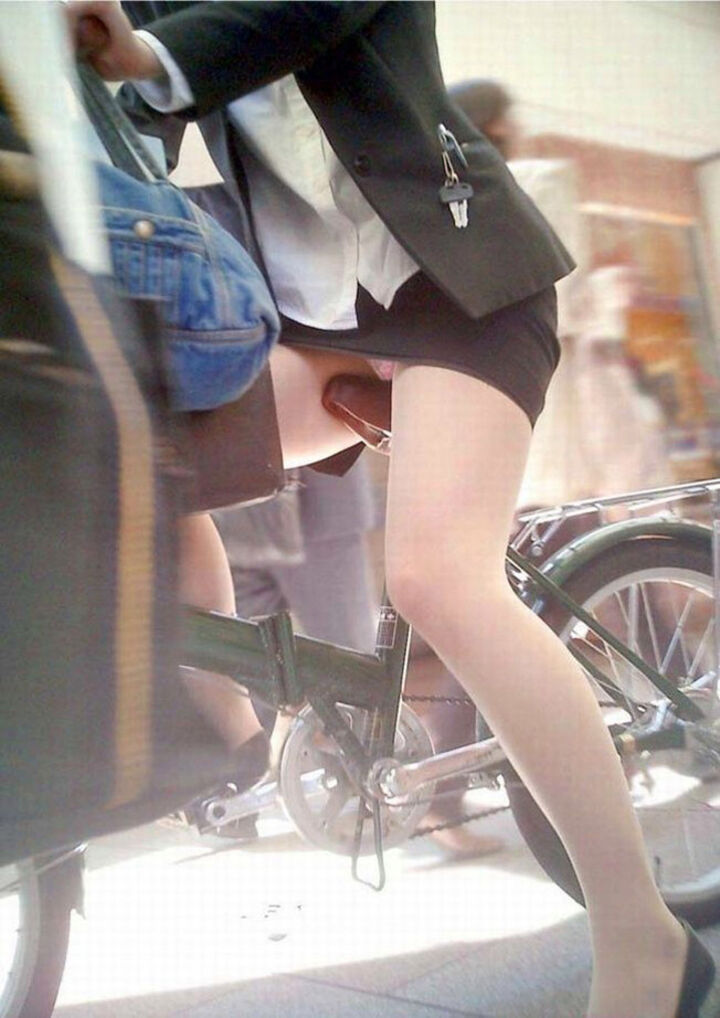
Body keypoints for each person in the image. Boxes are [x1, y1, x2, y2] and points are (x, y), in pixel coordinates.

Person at [67, 5, 713, 1016]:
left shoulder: (187, 30)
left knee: (436, 577)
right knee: (138, 454)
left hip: (461, 289)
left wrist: (145, 55)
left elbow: (295, 15)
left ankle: (646, 940)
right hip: (317, 321)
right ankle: (228, 735)